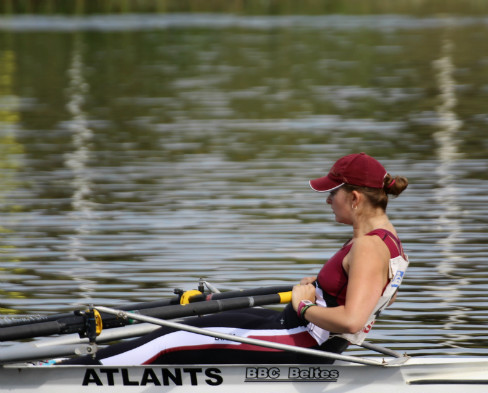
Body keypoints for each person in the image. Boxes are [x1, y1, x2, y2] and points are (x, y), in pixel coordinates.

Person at [61, 153, 409, 365]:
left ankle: (69, 373)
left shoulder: (368, 247)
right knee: (189, 321)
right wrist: (319, 289)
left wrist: (305, 306)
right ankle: (86, 363)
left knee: (172, 340)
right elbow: (369, 299)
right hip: (300, 330)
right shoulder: (390, 243)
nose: (327, 200)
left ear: (355, 198)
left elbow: (352, 320)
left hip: (303, 339)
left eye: (332, 193)